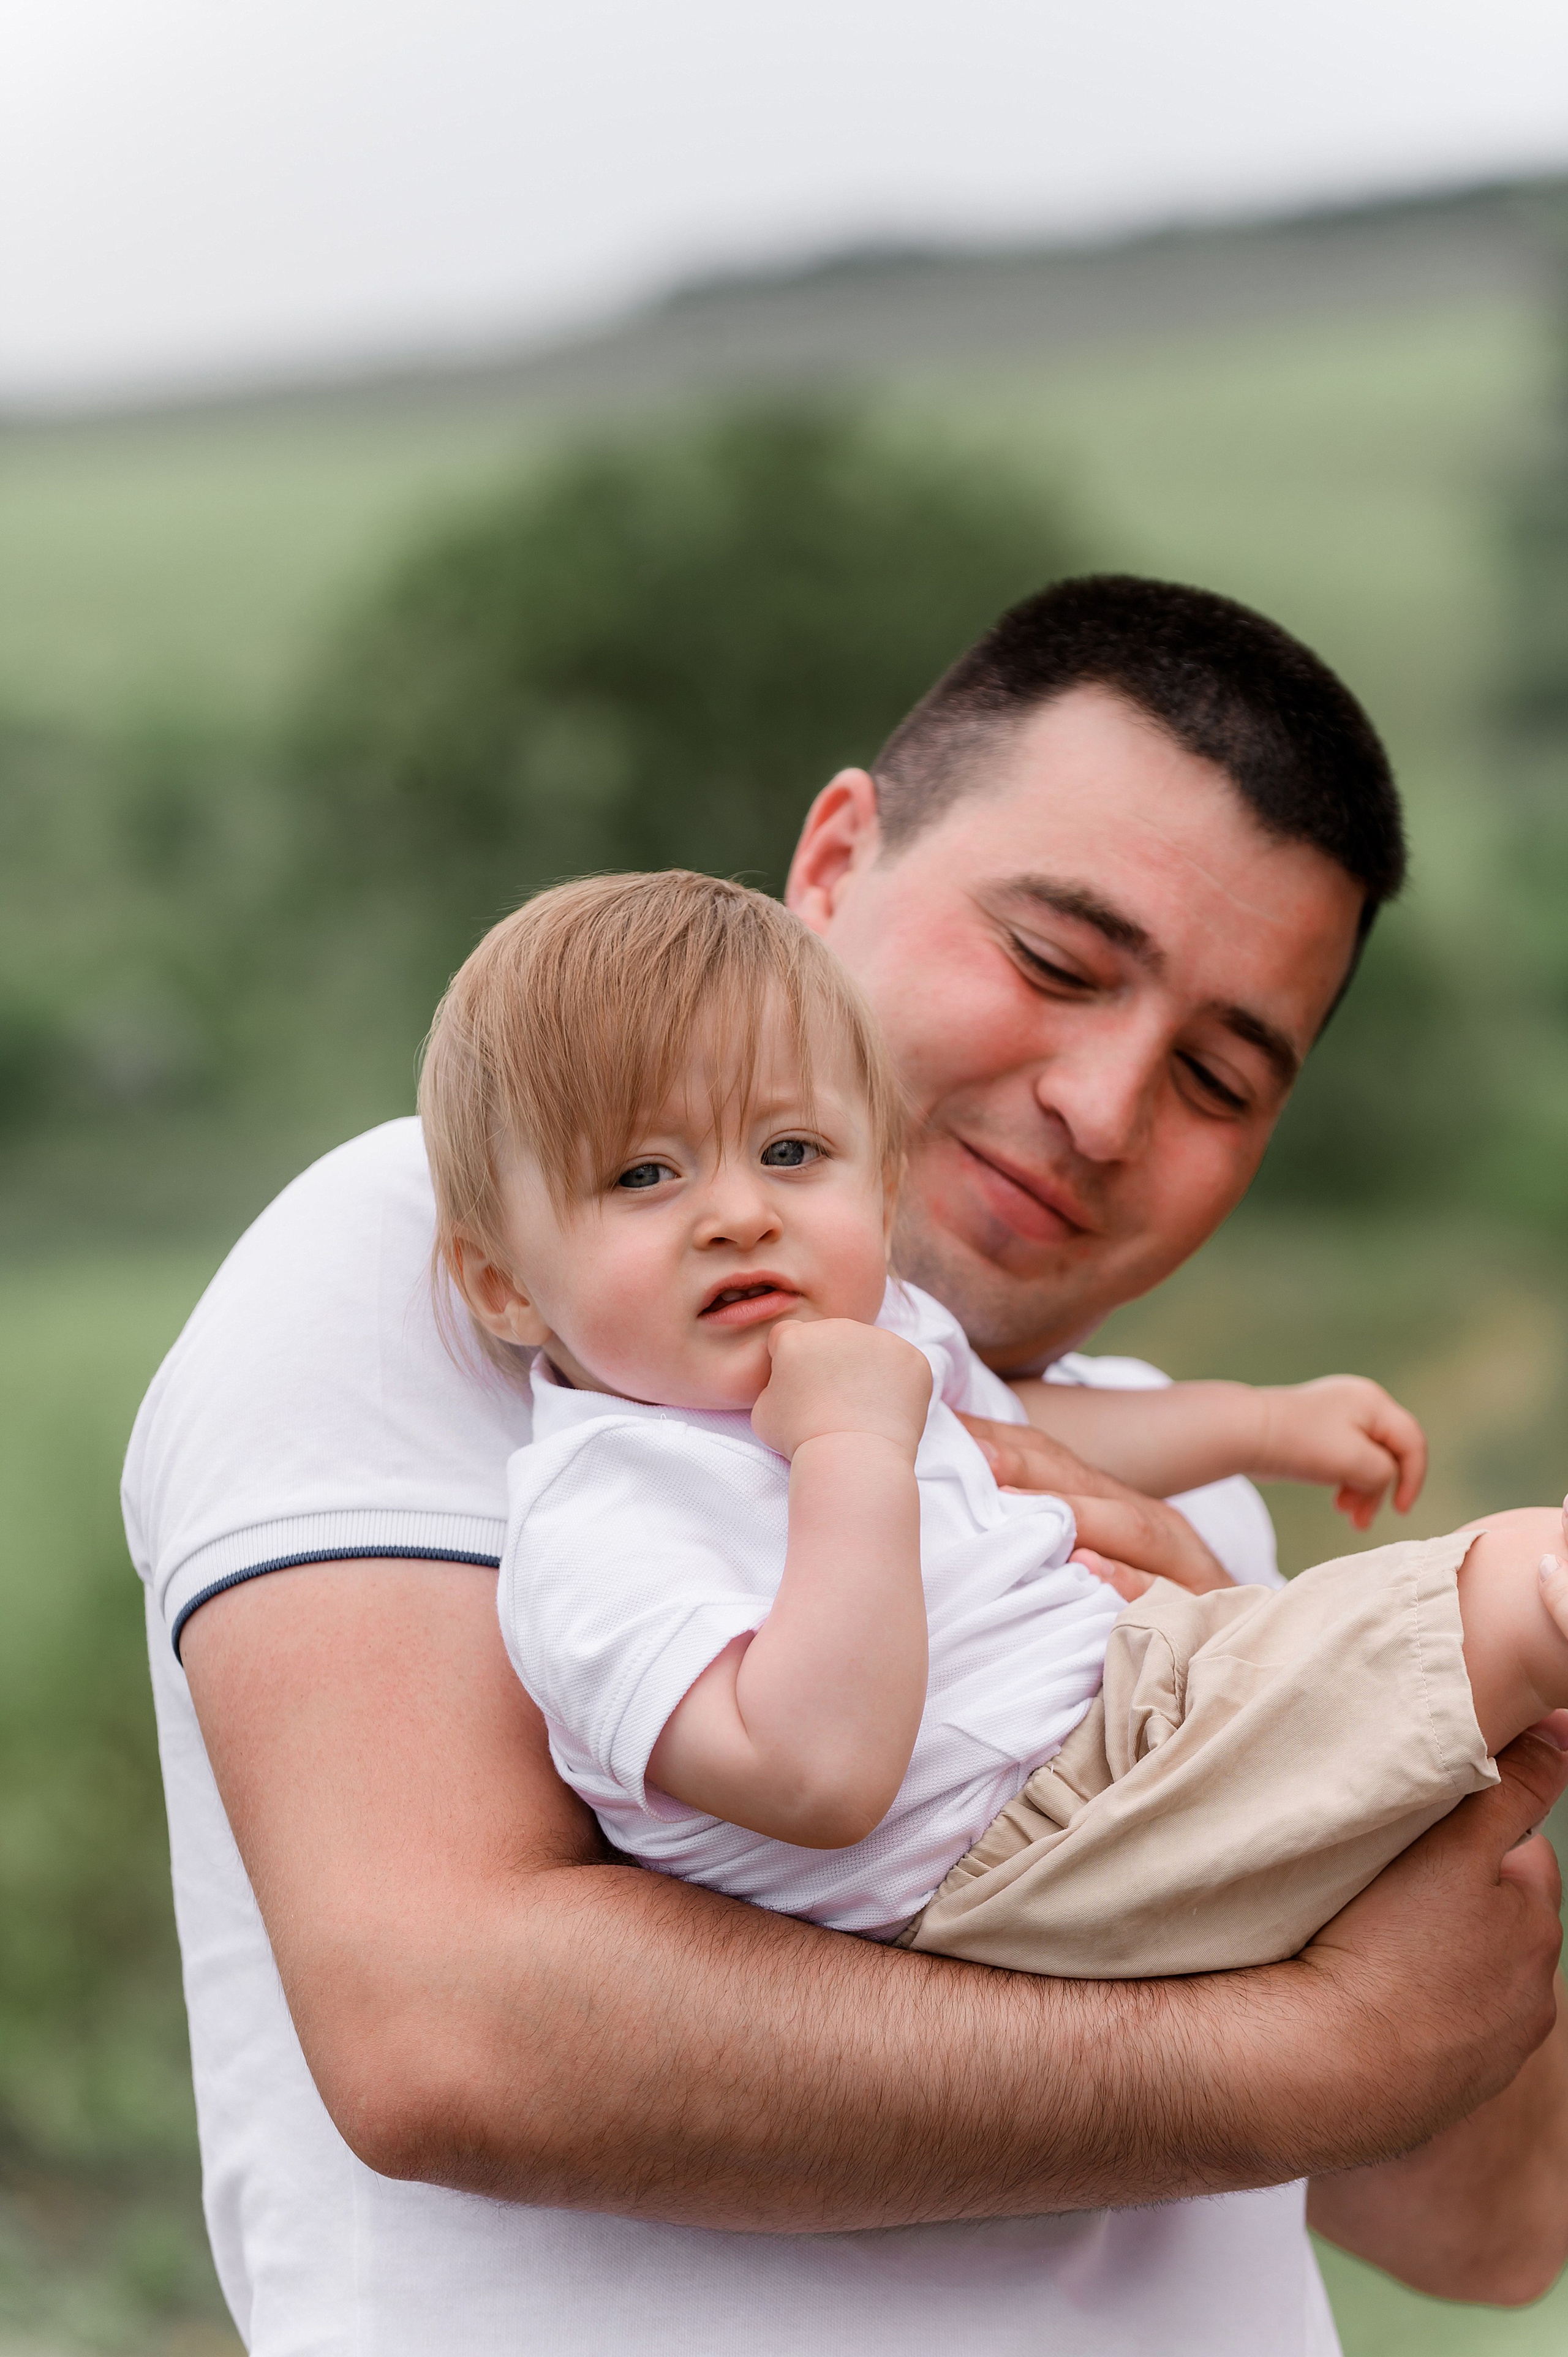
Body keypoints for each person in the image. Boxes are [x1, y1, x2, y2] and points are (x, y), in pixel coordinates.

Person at [123, 577, 1568, 2355]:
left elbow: (1489, 2223)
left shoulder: (1190, 1512)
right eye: (1053, 962)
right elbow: (446, 2035)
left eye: (1218, 1074)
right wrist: (1306, 2051)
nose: (1104, 1109)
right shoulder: (449, 1271)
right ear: (831, 869)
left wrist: (1359, 1758)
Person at [428, 867, 1567, 1978]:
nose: (738, 1215)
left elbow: (1044, 1448)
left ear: (878, 1196)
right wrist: (851, 1449)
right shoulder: (601, 1517)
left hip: (1134, 1732)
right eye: (643, 1175)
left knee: (1491, 1649)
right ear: (503, 1286)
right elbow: (816, 1780)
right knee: (1520, 1597)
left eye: (790, 1153)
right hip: (1010, 1860)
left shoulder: (875, 1342)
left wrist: (1263, 1424)